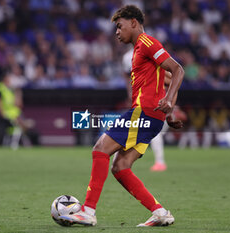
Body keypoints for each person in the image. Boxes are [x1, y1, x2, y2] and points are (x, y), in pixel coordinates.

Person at [59, 5, 184, 227]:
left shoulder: (147, 43)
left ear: (133, 22)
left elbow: (178, 70)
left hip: (142, 113)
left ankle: (87, 211)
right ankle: (160, 212)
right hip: (151, 118)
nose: (117, 32)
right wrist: (169, 110)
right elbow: (166, 80)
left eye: (120, 26)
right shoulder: (138, 52)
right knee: (120, 167)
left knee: (100, 149)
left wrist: (168, 102)